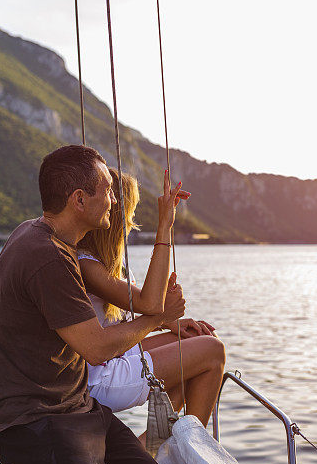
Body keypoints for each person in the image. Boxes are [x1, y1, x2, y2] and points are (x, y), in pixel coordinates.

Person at [0, 145, 178, 464]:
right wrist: (158, 320)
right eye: (107, 192)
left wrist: (166, 225)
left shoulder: (42, 236)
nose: (115, 203)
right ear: (79, 200)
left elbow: (147, 302)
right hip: (33, 420)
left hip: (74, 406)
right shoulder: (47, 257)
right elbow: (97, 348)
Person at [77, 169, 226, 433]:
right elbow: (150, 304)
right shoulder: (87, 265)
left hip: (113, 356)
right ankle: (189, 446)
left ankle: (154, 445)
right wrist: (165, 226)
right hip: (100, 377)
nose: (133, 221)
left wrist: (168, 325)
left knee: (192, 341)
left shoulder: (111, 265)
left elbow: (127, 318)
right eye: (132, 212)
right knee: (213, 352)